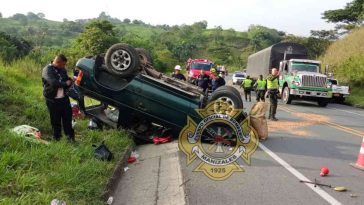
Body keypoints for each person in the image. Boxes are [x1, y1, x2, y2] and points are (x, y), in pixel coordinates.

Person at [42, 54, 75, 142]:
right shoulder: (47, 70)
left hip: (64, 99)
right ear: (57, 62)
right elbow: (53, 82)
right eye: (63, 65)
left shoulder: (62, 69)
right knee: (55, 120)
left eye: (64, 65)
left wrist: (71, 80)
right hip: (53, 100)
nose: (64, 67)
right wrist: (65, 84)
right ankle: (57, 139)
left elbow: (66, 78)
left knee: (67, 119)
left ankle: (70, 139)